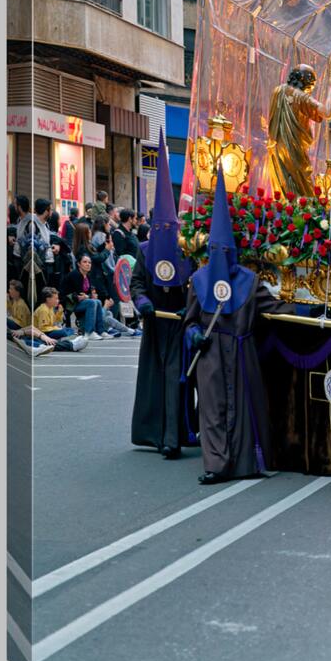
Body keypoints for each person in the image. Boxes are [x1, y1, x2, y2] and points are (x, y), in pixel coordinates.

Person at [184, 166, 294, 485]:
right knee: (213, 409)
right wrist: (195, 337)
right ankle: (216, 464)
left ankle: (245, 461)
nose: (221, 255)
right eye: (216, 251)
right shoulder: (198, 280)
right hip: (211, 353)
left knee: (243, 406)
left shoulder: (248, 280)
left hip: (242, 350)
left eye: (226, 251)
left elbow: (273, 306)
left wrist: (309, 309)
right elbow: (189, 321)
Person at [131, 129, 196, 459]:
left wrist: (190, 309)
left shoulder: (186, 253)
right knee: (154, 379)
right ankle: (151, 433)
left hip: (178, 324)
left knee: (174, 378)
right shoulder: (144, 250)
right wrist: (142, 303)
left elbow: (195, 286)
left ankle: (172, 438)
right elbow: (137, 283)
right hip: (155, 322)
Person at [267, 64, 331, 197]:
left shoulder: (277, 91)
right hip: (294, 150)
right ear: (308, 83)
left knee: (282, 185)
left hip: (276, 147)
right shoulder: (301, 97)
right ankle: (300, 213)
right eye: (312, 85)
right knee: (303, 190)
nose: (311, 90)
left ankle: (284, 211)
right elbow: (327, 112)